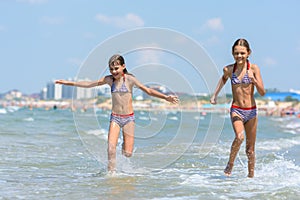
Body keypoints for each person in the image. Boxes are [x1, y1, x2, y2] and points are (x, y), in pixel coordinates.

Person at [56, 54, 179, 173]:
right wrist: (69, 83)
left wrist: (165, 97)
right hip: (115, 118)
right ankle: (111, 173)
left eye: (116, 68)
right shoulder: (109, 80)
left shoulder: (130, 79)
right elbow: (89, 84)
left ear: (123, 66)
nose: (114, 71)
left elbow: (148, 90)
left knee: (128, 153)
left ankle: (124, 150)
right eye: (111, 69)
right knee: (110, 148)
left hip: (129, 119)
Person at [210, 39, 265, 178]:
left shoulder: (254, 69)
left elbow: (263, 92)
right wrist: (215, 95)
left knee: (250, 150)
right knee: (239, 137)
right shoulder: (229, 69)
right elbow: (223, 79)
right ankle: (230, 163)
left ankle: (251, 177)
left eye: (242, 53)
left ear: (248, 53)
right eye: (236, 53)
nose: (239, 56)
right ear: (232, 54)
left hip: (251, 111)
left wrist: (254, 80)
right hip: (237, 109)